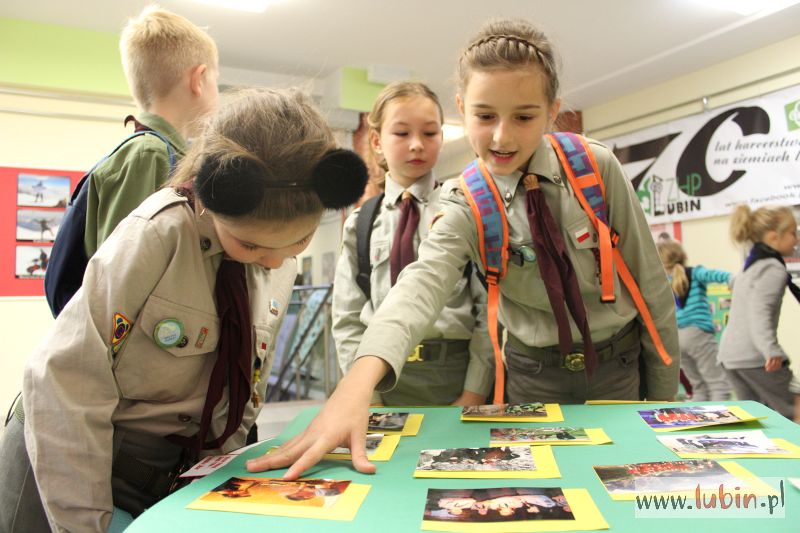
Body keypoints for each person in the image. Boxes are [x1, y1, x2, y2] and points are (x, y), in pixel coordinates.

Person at [246, 18, 678, 480]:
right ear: (462, 108)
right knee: (553, 490)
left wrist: (665, 402)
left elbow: (651, 288)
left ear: (553, 111)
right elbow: (419, 287)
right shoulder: (464, 200)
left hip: (618, 368)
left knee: (629, 484)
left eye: (525, 117)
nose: (501, 138)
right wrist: (355, 385)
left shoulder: (596, 167)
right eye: (485, 116)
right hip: (530, 379)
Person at [0, 87, 367, 532]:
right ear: (215, 197)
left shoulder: (275, 258)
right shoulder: (158, 234)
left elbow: (239, 387)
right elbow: (65, 383)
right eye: (249, 244)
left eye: (298, 243)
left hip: (165, 479)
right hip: (68, 466)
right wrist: (86, 524)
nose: (274, 260)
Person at [332, 81, 492, 406]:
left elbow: (489, 310)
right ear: (377, 142)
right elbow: (347, 317)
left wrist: (475, 390)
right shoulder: (360, 224)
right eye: (402, 134)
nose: (417, 145)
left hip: (455, 374)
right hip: (381, 379)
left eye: (430, 133)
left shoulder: (465, 210)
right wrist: (368, 395)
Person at [85, 5, 220, 259]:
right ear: (199, 80)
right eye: (216, 79)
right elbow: (119, 270)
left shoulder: (168, 153)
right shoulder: (149, 154)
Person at [718, 204, 800, 420]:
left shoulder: (752, 264)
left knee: (756, 419)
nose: (796, 239)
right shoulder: (773, 268)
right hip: (755, 358)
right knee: (795, 408)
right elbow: (759, 312)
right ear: (774, 237)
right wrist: (771, 350)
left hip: (730, 357)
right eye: (793, 233)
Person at [658, 239, 732, 400]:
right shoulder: (694, 272)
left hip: (677, 338)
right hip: (698, 334)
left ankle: (700, 422)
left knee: (698, 388)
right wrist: (733, 279)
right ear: (683, 255)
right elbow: (716, 275)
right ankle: (723, 422)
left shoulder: (662, 282)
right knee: (719, 385)